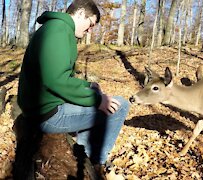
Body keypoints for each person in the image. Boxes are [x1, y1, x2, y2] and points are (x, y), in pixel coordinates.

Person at [17, 0, 130, 174]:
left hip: (40, 107)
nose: (90, 30)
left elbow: (58, 75)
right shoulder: (58, 31)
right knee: (120, 106)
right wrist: (97, 100)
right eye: (90, 24)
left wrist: (88, 86)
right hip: (47, 115)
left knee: (95, 90)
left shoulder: (56, 28)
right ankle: (95, 162)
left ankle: (81, 147)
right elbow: (56, 80)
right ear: (79, 14)